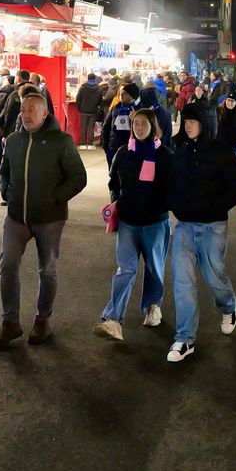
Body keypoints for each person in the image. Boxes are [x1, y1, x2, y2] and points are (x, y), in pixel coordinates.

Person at [0, 93, 87, 349]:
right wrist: (7, 192)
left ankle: (43, 320)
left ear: (45, 114)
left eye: (33, 109)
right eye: (24, 109)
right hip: (16, 217)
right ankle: (10, 322)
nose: (26, 113)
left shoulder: (62, 141)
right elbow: (4, 170)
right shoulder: (13, 140)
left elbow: (78, 178)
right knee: (7, 266)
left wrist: (55, 198)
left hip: (49, 219)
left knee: (47, 269)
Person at [165, 102, 236, 363]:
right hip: (185, 226)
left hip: (213, 227)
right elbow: (170, 181)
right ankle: (184, 339)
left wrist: (214, 207)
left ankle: (228, 305)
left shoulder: (221, 152)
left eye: (192, 120)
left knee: (214, 278)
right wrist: (174, 205)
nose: (187, 125)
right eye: (184, 120)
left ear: (206, 122)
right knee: (182, 282)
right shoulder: (179, 149)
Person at [93, 109, 173, 341]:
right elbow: (113, 181)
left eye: (143, 124)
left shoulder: (165, 156)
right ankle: (113, 319)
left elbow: (173, 188)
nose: (138, 128)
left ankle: (152, 306)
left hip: (155, 224)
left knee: (154, 269)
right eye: (135, 123)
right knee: (125, 269)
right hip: (128, 222)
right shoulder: (123, 152)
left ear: (153, 126)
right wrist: (116, 202)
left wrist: (159, 205)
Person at [103, 82, 139, 169]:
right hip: (113, 148)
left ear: (132, 96)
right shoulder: (116, 108)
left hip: (131, 150)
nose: (121, 95)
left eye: (125, 93)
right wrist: (106, 146)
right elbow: (106, 127)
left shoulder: (139, 110)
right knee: (113, 175)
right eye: (121, 93)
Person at [74, 72, 103, 150]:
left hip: (83, 110)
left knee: (83, 128)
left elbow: (78, 98)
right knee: (91, 128)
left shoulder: (83, 87)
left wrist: (79, 108)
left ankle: (83, 144)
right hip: (93, 111)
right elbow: (101, 100)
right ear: (94, 78)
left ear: (88, 78)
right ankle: (90, 144)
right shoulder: (98, 88)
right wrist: (97, 107)